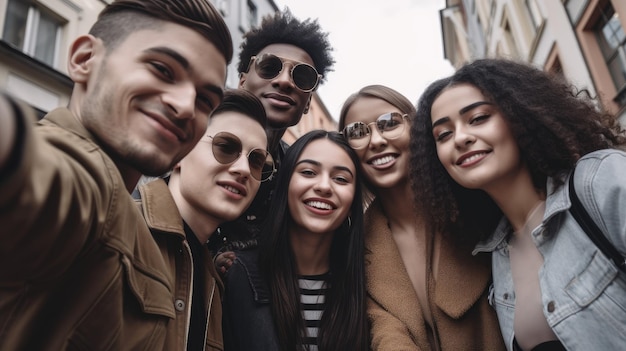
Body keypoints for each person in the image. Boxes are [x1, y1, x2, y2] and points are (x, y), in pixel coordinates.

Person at [0, 0, 232, 349]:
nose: (185, 106)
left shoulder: (135, 222)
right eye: (162, 69)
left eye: (205, 101)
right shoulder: (81, 177)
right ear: (84, 60)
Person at [411, 58, 626, 350]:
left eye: (478, 118)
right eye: (444, 135)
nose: (460, 138)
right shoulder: (495, 258)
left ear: (519, 115)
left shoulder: (599, 181)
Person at [338, 85, 505, 350]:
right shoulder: (353, 244)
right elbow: (382, 328)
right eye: (358, 132)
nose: (377, 141)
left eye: (389, 123)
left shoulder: (475, 204)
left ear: (417, 128)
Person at [135, 89, 272, 351]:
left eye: (256, 160)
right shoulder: (117, 225)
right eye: (226, 147)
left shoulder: (214, 280)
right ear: (180, 152)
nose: (244, 169)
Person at [222, 130, 369, 351]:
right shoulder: (239, 275)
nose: (324, 187)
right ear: (285, 186)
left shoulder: (368, 286)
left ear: (352, 203)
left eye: (340, 178)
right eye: (309, 172)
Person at [211, 9, 335, 267]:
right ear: (242, 81)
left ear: (308, 102)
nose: (284, 81)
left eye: (302, 77)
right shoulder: (191, 142)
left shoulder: (302, 176)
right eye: (269, 67)